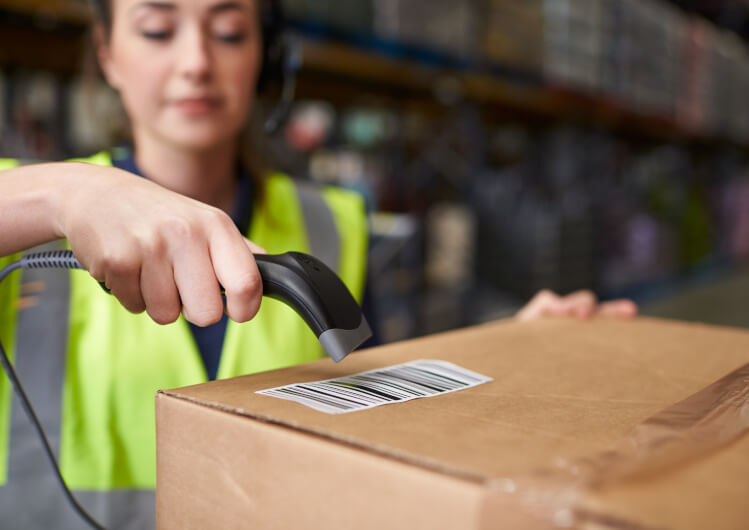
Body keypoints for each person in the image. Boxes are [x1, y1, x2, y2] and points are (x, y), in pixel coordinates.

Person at [0, 0, 636, 528]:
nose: (195, 63)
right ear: (108, 53)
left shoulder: (334, 224)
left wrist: (511, 356)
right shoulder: (28, 214)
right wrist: (67, 193)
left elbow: (392, 414)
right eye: (158, 30)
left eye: (228, 32)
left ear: (266, 56)